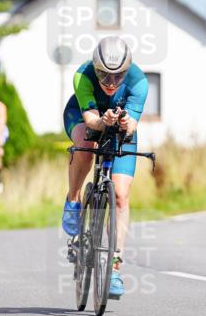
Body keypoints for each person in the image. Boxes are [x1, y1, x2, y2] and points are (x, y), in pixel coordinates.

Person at [61, 36, 148, 299]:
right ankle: (74, 199)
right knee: (85, 146)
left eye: (118, 76)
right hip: (82, 117)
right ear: (94, 67)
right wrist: (102, 120)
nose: (111, 83)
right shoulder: (82, 76)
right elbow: (90, 120)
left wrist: (123, 123)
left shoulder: (139, 81)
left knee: (121, 196)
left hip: (119, 127)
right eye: (104, 75)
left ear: (127, 70)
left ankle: (114, 267)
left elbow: (132, 125)